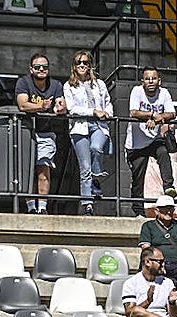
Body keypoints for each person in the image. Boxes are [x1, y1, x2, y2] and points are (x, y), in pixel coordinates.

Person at [14, 53, 66, 215]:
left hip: (46, 133)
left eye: (45, 67)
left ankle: (42, 208)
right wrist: (42, 106)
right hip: (26, 133)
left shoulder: (56, 84)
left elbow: (61, 103)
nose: (41, 69)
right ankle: (30, 208)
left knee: (43, 170)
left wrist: (60, 108)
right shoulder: (23, 82)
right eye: (37, 67)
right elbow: (23, 105)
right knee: (28, 172)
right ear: (31, 69)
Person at [64, 51, 113, 217]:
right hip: (80, 127)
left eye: (85, 62)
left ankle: (97, 177)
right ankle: (88, 205)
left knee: (97, 147)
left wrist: (107, 113)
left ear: (90, 65)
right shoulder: (69, 86)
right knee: (84, 167)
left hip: (98, 125)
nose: (82, 65)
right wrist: (93, 111)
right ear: (74, 66)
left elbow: (108, 102)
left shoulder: (99, 84)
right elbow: (72, 108)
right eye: (79, 63)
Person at [126, 67, 177, 218]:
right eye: (147, 78)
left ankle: (168, 187)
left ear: (159, 81)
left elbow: (172, 113)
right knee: (138, 176)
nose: (150, 81)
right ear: (142, 81)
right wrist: (152, 115)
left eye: (153, 78)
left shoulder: (164, 93)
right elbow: (134, 112)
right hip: (136, 142)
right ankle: (138, 210)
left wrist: (160, 116)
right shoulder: (137, 91)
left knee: (163, 153)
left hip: (154, 139)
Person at [124, 244, 177, 317]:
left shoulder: (167, 283)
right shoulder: (131, 283)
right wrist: (148, 301)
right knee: (136, 310)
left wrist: (172, 303)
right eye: (160, 262)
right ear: (147, 262)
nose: (163, 265)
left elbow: (174, 315)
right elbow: (129, 312)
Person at [139, 195, 177, 286]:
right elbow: (146, 249)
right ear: (157, 210)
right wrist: (158, 264)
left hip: (176, 264)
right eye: (165, 209)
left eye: (171, 209)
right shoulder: (148, 226)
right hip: (156, 263)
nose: (168, 212)